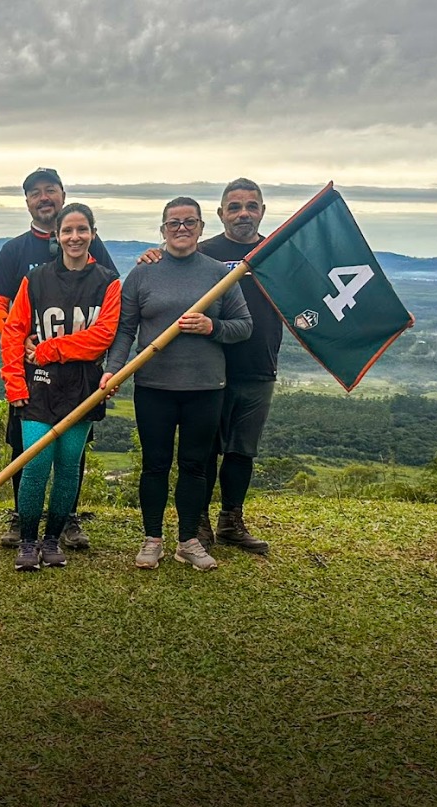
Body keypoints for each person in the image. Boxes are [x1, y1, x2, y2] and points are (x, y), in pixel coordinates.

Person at [101, 198, 252, 572]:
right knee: (155, 465)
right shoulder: (142, 274)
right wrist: (113, 370)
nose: (181, 229)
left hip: (205, 387)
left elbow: (244, 325)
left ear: (201, 227)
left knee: (195, 465)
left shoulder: (219, 274)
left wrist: (212, 327)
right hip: (154, 386)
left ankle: (189, 541)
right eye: (173, 223)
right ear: (163, 229)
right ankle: (152, 539)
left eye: (189, 223)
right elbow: (125, 331)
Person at [137, 179, 277, 554]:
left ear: (262, 210)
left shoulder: (278, 253)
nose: (243, 213)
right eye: (234, 207)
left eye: (251, 206)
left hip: (259, 364)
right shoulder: (207, 253)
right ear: (219, 215)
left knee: (241, 450)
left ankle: (231, 519)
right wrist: (152, 256)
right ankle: (195, 523)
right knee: (202, 454)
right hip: (209, 374)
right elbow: (169, 266)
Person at [0, 168, 119, 550]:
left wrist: (46, 347)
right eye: (35, 193)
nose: (43, 197)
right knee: (27, 449)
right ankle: (21, 518)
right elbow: (0, 307)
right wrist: (21, 338)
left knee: (70, 455)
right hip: (32, 373)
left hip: (78, 377)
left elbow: (110, 311)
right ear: (27, 201)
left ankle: (66, 519)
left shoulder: (99, 259)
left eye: (50, 191)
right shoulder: (16, 250)